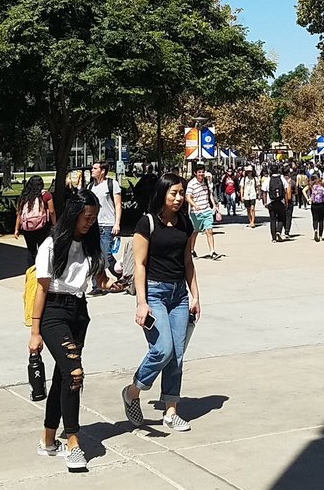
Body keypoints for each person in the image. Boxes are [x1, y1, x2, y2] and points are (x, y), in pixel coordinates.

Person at [29, 189, 106, 471]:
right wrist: (35, 331)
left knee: (63, 377)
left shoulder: (90, 245)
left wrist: (112, 284)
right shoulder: (51, 245)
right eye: (86, 217)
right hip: (53, 313)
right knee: (75, 374)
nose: (90, 222)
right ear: (74, 215)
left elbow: (101, 279)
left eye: (94, 218)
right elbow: (41, 290)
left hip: (79, 312)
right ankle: (73, 441)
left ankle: (48, 441)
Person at [121, 173, 200, 433]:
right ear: (162, 194)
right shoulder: (147, 223)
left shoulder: (185, 224)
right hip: (154, 293)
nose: (178, 198)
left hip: (179, 295)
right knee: (162, 349)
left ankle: (171, 410)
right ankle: (133, 391)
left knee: (177, 355)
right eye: (173, 193)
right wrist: (141, 302)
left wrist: (195, 296)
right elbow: (140, 265)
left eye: (181, 193)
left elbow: (188, 261)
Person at [90, 160, 122, 292]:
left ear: (102, 171)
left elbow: (118, 205)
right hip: (93, 226)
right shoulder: (90, 186)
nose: (92, 170)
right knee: (94, 255)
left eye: (95, 168)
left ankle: (122, 277)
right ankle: (97, 285)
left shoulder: (112, 184)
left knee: (106, 255)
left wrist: (117, 223)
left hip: (108, 225)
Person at [15, 176, 56, 263]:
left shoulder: (24, 196)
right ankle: (42, 269)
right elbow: (52, 211)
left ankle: (31, 271)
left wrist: (16, 229)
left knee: (31, 250)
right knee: (43, 248)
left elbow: (19, 213)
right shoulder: (46, 195)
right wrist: (54, 224)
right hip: (43, 226)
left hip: (27, 227)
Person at [186, 164, 221, 260]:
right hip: (196, 213)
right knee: (195, 232)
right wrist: (195, 205)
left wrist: (214, 205)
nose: (201, 174)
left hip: (207, 210)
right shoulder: (191, 184)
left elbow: (209, 194)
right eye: (199, 172)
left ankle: (212, 251)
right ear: (195, 173)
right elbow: (188, 197)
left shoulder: (206, 181)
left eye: (202, 172)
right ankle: (191, 250)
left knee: (209, 231)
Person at [267, 164, 286, 242]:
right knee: (281, 218)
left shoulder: (268, 179)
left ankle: (274, 238)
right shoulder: (281, 178)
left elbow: (264, 191)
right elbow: (287, 189)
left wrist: (265, 202)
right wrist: (286, 202)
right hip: (281, 201)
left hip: (271, 202)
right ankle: (278, 231)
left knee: (272, 220)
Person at [309, 170, 324, 241]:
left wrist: (309, 199)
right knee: (321, 220)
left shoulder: (312, 186)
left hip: (314, 205)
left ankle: (315, 229)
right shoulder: (322, 186)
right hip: (322, 204)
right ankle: (320, 236)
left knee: (315, 219)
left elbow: (304, 191)